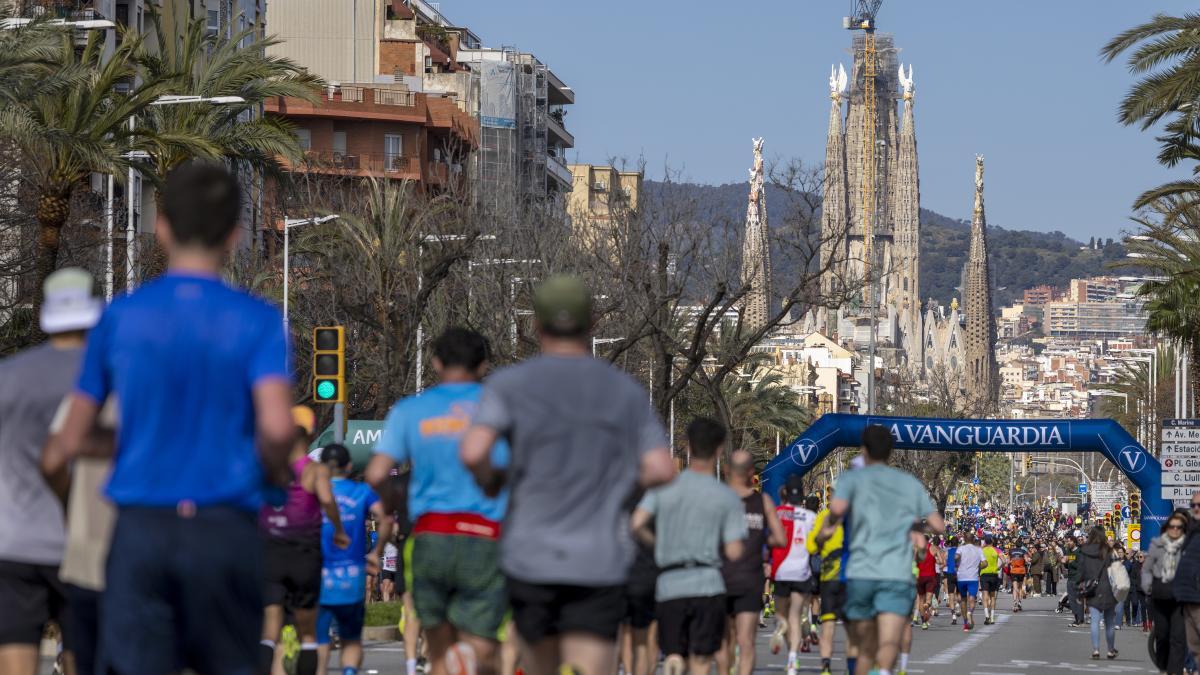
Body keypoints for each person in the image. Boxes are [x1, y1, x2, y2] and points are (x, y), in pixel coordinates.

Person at [52, 161, 296, 675]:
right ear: (234, 233)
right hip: (224, 527)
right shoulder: (257, 321)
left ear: (161, 227)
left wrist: (135, 440)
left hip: (143, 530)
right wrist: (270, 470)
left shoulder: (119, 318)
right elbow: (277, 430)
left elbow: (73, 437)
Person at [460, 276, 675, 675]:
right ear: (592, 322)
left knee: (540, 664)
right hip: (600, 560)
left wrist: (494, 480)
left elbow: (473, 451)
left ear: (536, 326)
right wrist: (620, 485)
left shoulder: (510, 385)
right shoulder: (623, 390)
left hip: (530, 558)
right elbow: (661, 468)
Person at [367, 328, 510, 675]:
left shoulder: (411, 411)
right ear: (484, 366)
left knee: (439, 646)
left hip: (430, 537)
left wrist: (389, 503)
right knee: (485, 644)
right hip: (484, 535)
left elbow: (375, 473)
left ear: (435, 363)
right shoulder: (501, 409)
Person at [0, 268, 103, 675]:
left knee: (13, 653)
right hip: (84, 544)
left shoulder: (9, 375)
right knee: (81, 651)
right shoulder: (109, 377)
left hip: (13, 541)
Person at [817, 426, 944, 675]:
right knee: (888, 641)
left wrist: (824, 534)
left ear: (863, 450)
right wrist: (915, 523)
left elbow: (837, 512)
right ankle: (884, 671)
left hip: (861, 573)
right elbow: (938, 525)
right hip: (896, 575)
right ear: (890, 452)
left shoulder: (851, 480)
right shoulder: (908, 483)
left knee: (864, 646)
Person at [631, 418, 746, 675]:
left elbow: (637, 523)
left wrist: (660, 543)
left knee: (675, 650)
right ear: (719, 450)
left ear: (688, 447)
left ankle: (674, 659)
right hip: (708, 583)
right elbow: (735, 550)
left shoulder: (665, 488)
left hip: (670, 584)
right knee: (702, 659)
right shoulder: (726, 496)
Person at [261, 405, 349, 675]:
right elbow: (326, 500)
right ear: (310, 436)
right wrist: (338, 529)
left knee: (270, 624)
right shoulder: (314, 471)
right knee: (307, 631)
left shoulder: (267, 467)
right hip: (304, 550)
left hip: (271, 548)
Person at [316, 443, 389, 675]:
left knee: (320, 640)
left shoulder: (315, 492)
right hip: (353, 574)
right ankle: (349, 671)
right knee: (351, 640)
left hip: (320, 573)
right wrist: (376, 553)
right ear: (349, 466)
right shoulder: (362, 492)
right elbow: (386, 519)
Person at [714, 450, 786, 675]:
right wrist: (759, 537)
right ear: (752, 474)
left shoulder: (717, 499)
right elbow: (781, 538)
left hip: (720, 578)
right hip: (750, 579)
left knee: (724, 641)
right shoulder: (761, 501)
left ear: (726, 471)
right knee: (746, 642)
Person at [769, 478, 819, 675]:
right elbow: (815, 543)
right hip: (801, 572)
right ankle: (792, 661)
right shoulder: (810, 517)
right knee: (796, 617)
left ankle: (780, 626)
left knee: (781, 615)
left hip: (781, 571)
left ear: (785, 493)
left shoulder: (777, 514)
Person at [808, 485, 851, 675]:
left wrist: (822, 538)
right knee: (852, 627)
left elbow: (811, 547)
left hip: (829, 577)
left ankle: (825, 665)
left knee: (828, 624)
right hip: (850, 578)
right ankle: (853, 668)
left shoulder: (823, 517)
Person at [1143, 511, 1189, 674]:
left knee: (1178, 638)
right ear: (1167, 528)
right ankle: (1163, 666)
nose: (1175, 530)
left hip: (1180, 597)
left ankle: (1174, 671)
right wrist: (1148, 587)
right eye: (1172, 526)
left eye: (1179, 527)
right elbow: (1147, 570)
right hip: (1159, 595)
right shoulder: (1157, 544)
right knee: (1162, 635)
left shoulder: (1188, 546)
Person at [1078, 526, 1118, 660]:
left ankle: (1096, 649)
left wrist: (1079, 588)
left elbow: (1081, 571)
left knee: (1094, 620)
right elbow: (1116, 569)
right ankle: (1111, 650)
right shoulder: (1108, 551)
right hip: (1107, 587)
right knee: (1109, 622)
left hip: (1091, 588)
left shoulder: (1084, 550)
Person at [1173, 492, 1200, 665]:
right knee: (1195, 647)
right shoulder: (1193, 531)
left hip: (1197, 596)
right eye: (1193, 505)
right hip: (1187, 597)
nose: (1196, 508)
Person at [954, 532, 984, 631]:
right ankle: (970, 612)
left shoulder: (961, 548)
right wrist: (978, 567)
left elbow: (956, 557)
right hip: (973, 577)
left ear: (965, 539)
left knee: (963, 599)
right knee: (972, 598)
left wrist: (956, 564)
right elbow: (985, 563)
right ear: (973, 539)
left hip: (961, 577)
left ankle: (965, 623)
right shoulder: (978, 550)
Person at [914, 532, 939, 630]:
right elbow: (941, 561)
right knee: (928, 599)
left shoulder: (917, 548)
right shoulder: (933, 548)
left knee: (920, 599)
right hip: (930, 576)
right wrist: (935, 560)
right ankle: (927, 605)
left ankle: (923, 622)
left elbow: (913, 561)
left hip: (920, 577)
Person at [978, 536, 1002, 626]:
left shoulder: (981, 550)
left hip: (984, 574)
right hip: (994, 574)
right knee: (992, 596)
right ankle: (992, 617)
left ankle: (986, 616)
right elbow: (1004, 561)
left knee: (985, 595)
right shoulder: (997, 550)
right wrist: (998, 567)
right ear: (992, 541)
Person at [1063, 536, 1085, 627]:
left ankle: (1080, 620)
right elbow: (1068, 567)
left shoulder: (1079, 552)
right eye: (1067, 542)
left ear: (1074, 542)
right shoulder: (1068, 551)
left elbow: (1080, 566)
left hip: (1078, 579)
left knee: (1078, 600)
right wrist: (1065, 563)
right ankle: (1076, 619)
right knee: (1072, 601)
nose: (1068, 543)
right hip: (1070, 578)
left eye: (1070, 541)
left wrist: (1070, 562)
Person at [941, 536, 960, 625]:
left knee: (951, 594)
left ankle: (953, 616)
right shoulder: (961, 552)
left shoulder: (947, 552)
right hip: (959, 574)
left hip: (950, 573)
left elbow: (944, 562)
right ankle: (958, 605)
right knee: (959, 593)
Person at [1008, 540, 1028, 612]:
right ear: (1021, 545)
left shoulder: (1011, 551)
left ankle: (1015, 602)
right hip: (1021, 571)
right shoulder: (1023, 551)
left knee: (1015, 588)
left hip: (1014, 571)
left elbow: (1008, 561)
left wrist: (1013, 561)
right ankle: (1019, 601)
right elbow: (1027, 560)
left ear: (1015, 545)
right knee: (1019, 587)